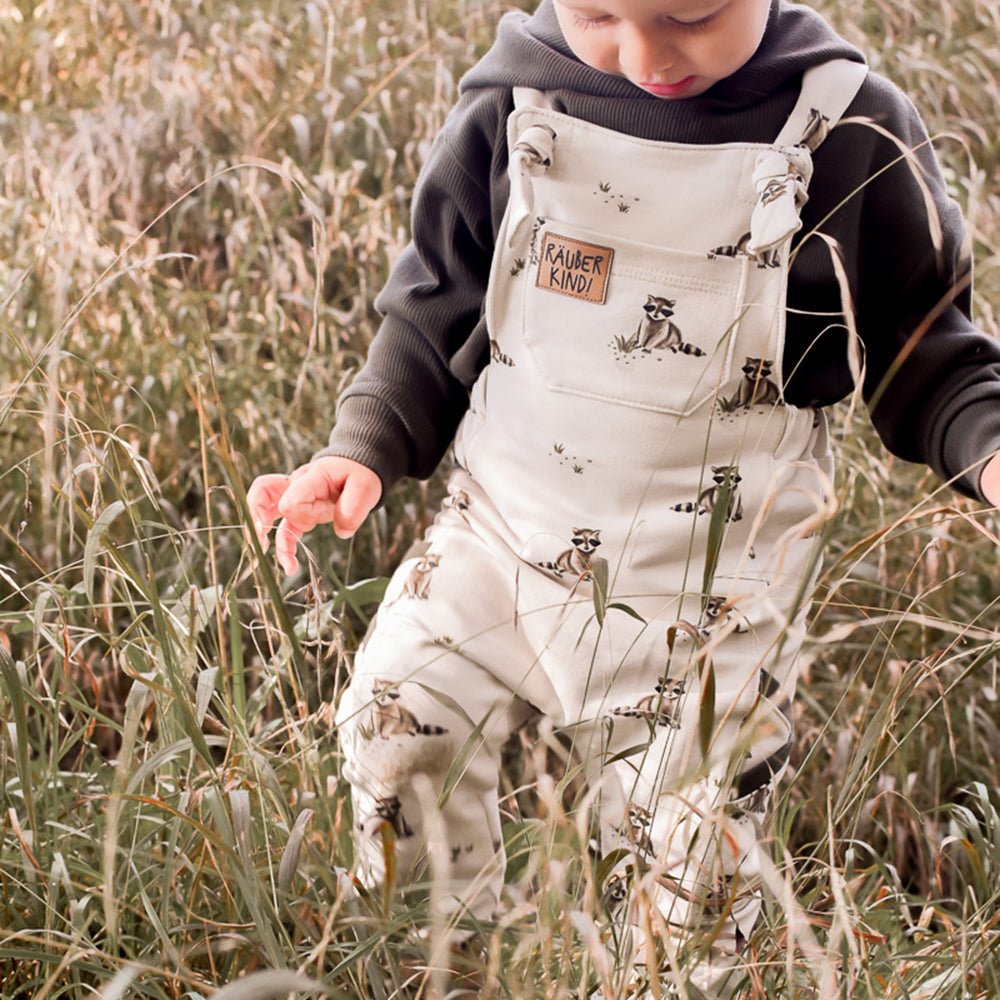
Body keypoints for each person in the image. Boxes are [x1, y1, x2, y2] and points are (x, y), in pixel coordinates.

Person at [247, 0, 1000, 994]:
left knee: (690, 878)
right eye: (598, 12)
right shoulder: (515, 105)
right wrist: (365, 447)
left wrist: (988, 449)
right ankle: (445, 960)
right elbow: (431, 309)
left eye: (690, 14)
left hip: (706, 597)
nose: (645, 57)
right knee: (396, 723)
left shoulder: (845, 131)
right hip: (499, 541)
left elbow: (928, 353)